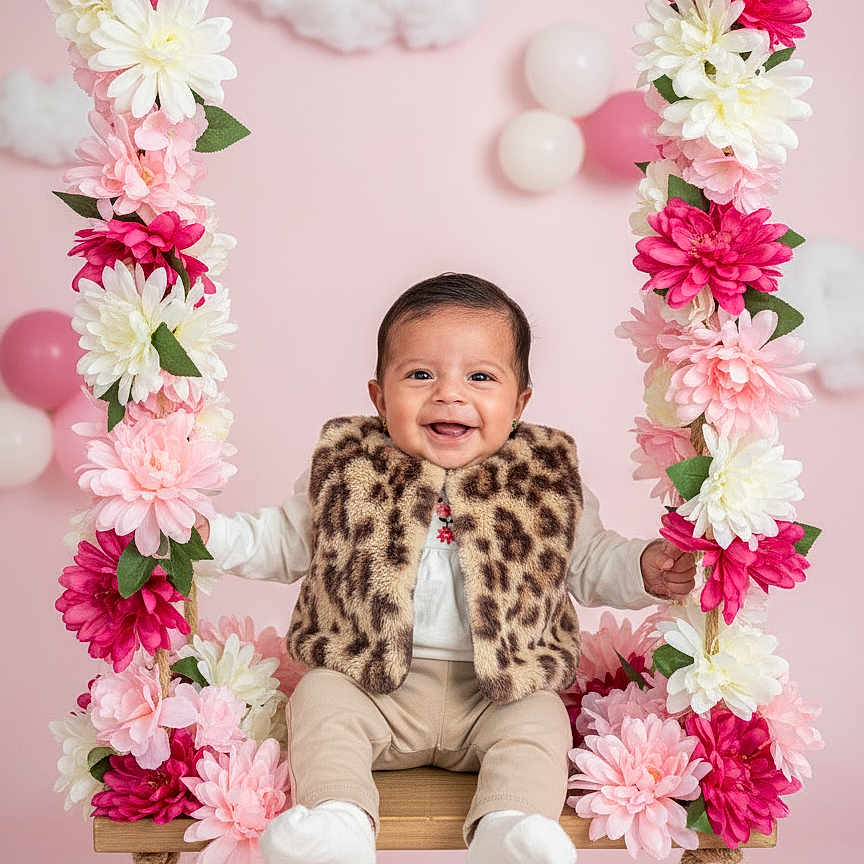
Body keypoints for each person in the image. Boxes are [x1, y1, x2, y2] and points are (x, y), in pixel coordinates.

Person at [195, 273, 696, 864]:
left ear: (520, 402)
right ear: (380, 397)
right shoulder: (350, 470)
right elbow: (284, 538)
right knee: (319, 700)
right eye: (420, 375)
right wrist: (214, 537)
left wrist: (643, 566)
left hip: (498, 692)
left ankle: (509, 828)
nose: (449, 395)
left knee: (540, 721)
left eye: (480, 377)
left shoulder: (542, 482)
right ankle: (338, 822)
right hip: (373, 686)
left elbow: (587, 561)